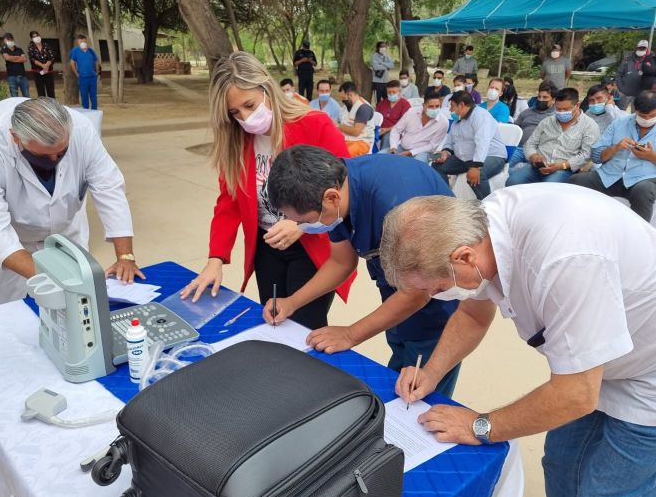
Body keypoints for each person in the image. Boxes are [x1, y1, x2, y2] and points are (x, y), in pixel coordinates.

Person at [381, 188, 656, 497]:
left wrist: (479, 426)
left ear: (464, 257)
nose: (438, 296)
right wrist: (433, 372)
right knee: (563, 461)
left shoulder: (564, 257)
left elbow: (576, 395)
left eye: (437, 288)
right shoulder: (477, 229)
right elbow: (472, 314)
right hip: (609, 358)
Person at [264, 145, 461, 395]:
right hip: (396, 291)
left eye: (303, 221)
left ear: (331, 198)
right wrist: (291, 303)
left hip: (435, 306)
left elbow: (418, 292)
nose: (302, 227)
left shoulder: (400, 206)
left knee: (418, 391)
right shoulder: (335, 189)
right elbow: (341, 262)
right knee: (399, 367)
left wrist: (350, 335)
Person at [180, 52, 353, 330]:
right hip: (267, 246)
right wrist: (215, 259)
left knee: (304, 326)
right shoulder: (237, 143)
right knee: (273, 319)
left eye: (249, 105)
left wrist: (301, 225)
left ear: (267, 89)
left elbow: (347, 186)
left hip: (313, 246)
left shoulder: (314, 125)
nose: (246, 118)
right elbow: (228, 203)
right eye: (235, 113)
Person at [0, 97, 141, 312]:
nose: (55, 159)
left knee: (70, 293)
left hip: (58, 223)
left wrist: (125, 255)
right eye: (44, 155)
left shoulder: (79, 128)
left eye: (62, 152)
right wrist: (52, 278)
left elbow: (108, 187)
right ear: (16, 138)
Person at [570, 90, 656, 221]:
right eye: (642, 116)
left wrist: (652, 156)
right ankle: (580, 224)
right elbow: (596, 155)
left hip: (646, 178)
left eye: (652, 116)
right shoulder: (619, 123)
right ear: (635, 110)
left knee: (643, 191)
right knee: (576, 181)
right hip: (610, 175)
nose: (647, 120)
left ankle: (639, 236)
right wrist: (615, 148)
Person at [506, 88, 599, 186]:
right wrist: (534, 156)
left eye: (566, 109)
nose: (561, 112)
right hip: (537, 167)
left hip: (563, 170)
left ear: (577, 105)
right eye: (558, 109)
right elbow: (530, 143)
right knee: (512, 182)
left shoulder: (589, 125)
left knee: (548, 189)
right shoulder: (547, 121)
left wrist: (561, 166)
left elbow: (586, 154)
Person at [432, 91, 507, 199]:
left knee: (477, 174)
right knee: (435, 163)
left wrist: (476, 166)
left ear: (461, 105)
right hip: (465, 158)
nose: (450, 110)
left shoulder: (481, 115)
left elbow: (482, 143)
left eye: (452, 106)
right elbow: (450, 142)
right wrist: (445, 152)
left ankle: (488, 208)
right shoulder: (457, 121)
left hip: (491, 156)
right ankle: (447, 200)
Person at [387, 90, 449, 163]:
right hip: (401, 148)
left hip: (424, 153)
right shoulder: (412, 112)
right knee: (380, 156)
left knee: (415, 166)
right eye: (431, 106)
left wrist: (411, 152)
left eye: (437, 106)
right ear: (424, 105)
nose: (434, 109)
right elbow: (396, 130)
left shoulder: (443, 122)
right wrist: (393, 147)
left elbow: (432, 146)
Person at [509, 83, 557, 169]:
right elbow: (514, 129)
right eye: (539, 97)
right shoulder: (527, 112)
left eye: (545, 97)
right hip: (519, 148)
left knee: (522, 170)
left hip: (538, 152)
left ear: (553, 100)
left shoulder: (556, 116)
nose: (541, 100)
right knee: (505, 166)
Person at [615, 40, 656, 108]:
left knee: (636, 113)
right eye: (640, 48)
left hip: (641, 94)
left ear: (647, 49)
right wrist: (621, 88)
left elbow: (655, 74)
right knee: (620, 112)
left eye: (643, 48)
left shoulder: (651, 60)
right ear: (636, 48)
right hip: (625, 93)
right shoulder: (628, 59)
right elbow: (618, 74)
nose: (641, 50)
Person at [338, 81, 375, 157]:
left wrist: (338, 126)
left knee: (343, 154)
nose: (342, 101)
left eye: (343, 98)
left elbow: (356, 132)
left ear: (350, 95)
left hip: (361, 142)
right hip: (346, 139)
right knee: (327, 148)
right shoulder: (346, 106)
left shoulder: (363, 108)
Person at [376, 79, 411, 149]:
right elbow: (376, 117)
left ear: (399, 92)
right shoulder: (382, 103)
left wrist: (387, 129)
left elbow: (404, 124)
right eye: (389, 92)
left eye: (394, 92)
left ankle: (383, 158)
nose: (391, 94)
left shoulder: (405, 104)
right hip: (380, 130)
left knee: (387, 138)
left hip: (396, 131)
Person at [69, 34, 101, 110]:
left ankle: (94, 111)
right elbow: (72, 62)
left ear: (86, 41)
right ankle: (86, 111)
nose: (83, 43)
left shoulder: (91, 51)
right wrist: (77, 74)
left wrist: (97, 72)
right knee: (84, 96)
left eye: (84, 41)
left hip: (92, 77)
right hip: (82, 77)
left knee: (93, 96)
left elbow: (96, 61)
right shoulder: (75, 51)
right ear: (78, 42)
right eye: (81, 41)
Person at [28, 31, 56, 98]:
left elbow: (51, 57)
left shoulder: (46, 45)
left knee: (51, 90)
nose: (36, 37)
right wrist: (43, 66)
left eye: (37, 35)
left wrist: (47, 65)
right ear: (32, 39)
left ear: (40, 36)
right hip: (38, 72)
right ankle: (43, 106)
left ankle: (52, 105)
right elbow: (33, 59)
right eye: (34, 36)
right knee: (41, 92)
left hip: (48, 71)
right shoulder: (31, 48)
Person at [1, 33, 30, 98]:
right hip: (11, 77)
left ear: (13, 39)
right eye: (7, 39)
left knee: (26, 95)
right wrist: (18, 57)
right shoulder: (4, 50)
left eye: (10, 39)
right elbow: (7, 58)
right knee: (14, 97)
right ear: (4, 41)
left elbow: (24, 59)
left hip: (22, 75)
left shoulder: (19, 49)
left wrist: (12, 58)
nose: (9, 41)